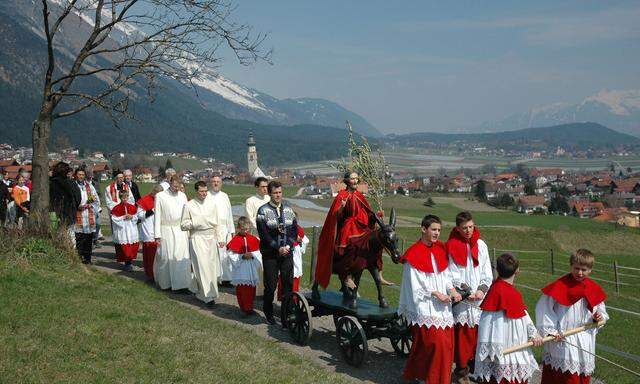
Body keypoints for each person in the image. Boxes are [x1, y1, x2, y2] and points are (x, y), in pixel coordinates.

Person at [398, 214, 462, 384]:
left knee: (447, 345)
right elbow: (415, 286)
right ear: (423, 229)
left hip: (443, 308)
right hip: (425, 307)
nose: (437, 233)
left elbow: (446, 276)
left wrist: (452, 290)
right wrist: (435, 293)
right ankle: (429, 378)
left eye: (439, 230)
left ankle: (439, 379)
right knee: (435, 344)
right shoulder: (413, 254)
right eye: (433, 229)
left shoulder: (440, 249)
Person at [535, 249, 608, 384]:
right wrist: (551, 331)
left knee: (581, 377)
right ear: (571, 266)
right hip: (563, 339)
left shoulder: (593, 288)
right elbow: (543, 309)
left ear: (590, 270)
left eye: (584, 269)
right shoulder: (560, 285)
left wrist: (598, 318)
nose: (579, 272)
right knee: (565, 378)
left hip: (584, 338)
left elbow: (602, 313)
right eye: (576, 268)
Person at [474, 253, 542, 384]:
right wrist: (534, 333)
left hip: (499, 352)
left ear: (497, 270)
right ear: (517, 270)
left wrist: (534, 333)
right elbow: (524, 316)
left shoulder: (493, 290)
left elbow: (487, 324)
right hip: (509, 349)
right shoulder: (512, 293)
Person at [316, 171, 389, 291]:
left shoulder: (360, 195)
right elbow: (336, 216)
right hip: (348, 227)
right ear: (347, 181)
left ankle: (378, 272)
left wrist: (377, 215)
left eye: (356, 178)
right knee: (350, 246)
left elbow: (367, 213)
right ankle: (347, 275)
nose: (355, 181)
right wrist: (342, 208)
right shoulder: (342, 196)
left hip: (361, 226)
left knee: (377, 241)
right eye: (352, 179)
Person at [446, 211, 493, 383]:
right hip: (463, 300)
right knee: (463, 337)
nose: (468, 231)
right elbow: (452, 273)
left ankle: (478, 370)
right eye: (464, 228)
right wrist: (467, 291)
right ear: (458, 228)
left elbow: (487, 272)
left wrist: (481, 290)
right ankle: (461, 371)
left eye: (471, 227)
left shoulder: (481, 245)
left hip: (480, 299)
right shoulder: (451, 245)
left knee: (479, 336)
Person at [256, 181, 298, 325]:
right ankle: (268, 312)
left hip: (287, 252)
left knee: (287, 284)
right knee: (271, 285)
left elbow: (294, 229)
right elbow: (264, 233)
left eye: (279, 192)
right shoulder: (262, 211)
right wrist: (276, 247)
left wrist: (289, 245)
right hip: (270, 254)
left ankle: (286, 314)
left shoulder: (288, 209)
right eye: (275, 193)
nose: (278, 195)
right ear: (269, 193)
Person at [180, 181, 225, 304]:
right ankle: (207, 296)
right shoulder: (189, 205)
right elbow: (183, 225)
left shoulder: (212, 204)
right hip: (197, 238)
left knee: (211, 267)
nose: (204, 194)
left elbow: (218, 223)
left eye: (205, 191)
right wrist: (195, 223)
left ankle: (200, 290)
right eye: (201, 191)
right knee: (201, 266)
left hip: (211, 238)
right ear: (196, 191)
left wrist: (220, 239)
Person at [154, 175, 190, 290]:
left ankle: (182, 285)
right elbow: (157, 216)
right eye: (174, 186)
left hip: (181, 230)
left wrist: (188, 231)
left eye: (178, 186)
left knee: (181, 257)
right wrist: (157, 235)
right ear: (170, 182)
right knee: (166, 257)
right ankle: (166, 284)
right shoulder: (160, 196)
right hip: (166, 230)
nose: (176, 189)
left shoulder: (183, 196)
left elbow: (186, 214)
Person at [227, 216, 262, 316]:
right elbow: (230, 254)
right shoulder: (235, 239)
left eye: (247, 229)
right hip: (241, 268)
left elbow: (259, 252)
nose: (245, 231)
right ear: (238, 228)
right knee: (242, 288)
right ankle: (244, 307)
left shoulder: (253, 239)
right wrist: (242, 256)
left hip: (251, 266)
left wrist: (253, 255)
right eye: (243, 229)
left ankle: (249, 307)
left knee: (251, 288)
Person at [209, 175, 235, 284]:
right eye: (214, 181)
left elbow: (229, 213)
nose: (216, 183)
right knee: (214, 254)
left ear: (221, 183)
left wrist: (232, 230)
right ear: (211, 183)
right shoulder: (207, 196)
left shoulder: (225, 196)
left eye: (218, 182)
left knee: (225, 254)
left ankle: (226, 278)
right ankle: (214, 278)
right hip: (213, 229)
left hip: (225, 228)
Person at [277, 221, 309, 301]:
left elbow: (305, 241)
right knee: (284, 279)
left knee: (294, 281)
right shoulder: (282, 227)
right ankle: (284, 303)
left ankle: (293, 302)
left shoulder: (299, 229)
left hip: (295, 258)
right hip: (285, 254)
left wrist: (300, 241)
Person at [137, 185, 163, 281]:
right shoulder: (145, 200)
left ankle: (159, 274)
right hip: (148, 229)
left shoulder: (162, 200)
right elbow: (139, 215)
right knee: (150, 255)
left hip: (160, 229)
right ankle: (150, 274)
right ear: (154, 192)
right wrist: (151, 210)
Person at [73, 168, 99, 264]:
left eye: (82, 175)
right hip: (77, 214)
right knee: (79, 237)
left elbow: (96, 200)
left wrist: (90, 205)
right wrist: (77, 207)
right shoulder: (73, 186)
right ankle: (79, 258)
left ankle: (87, 258)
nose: (81, 176)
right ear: (76, 175)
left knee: (88, 238)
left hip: (88, 214)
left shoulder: (89, 186)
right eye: (79, 174)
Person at [50, 162, 81, 241]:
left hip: (56, 214)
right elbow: (78, 198)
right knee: (71, 235)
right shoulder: (71, 183)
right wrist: (74, 207)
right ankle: (71, 252)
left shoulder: (51, 183)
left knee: (58, 236)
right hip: (70, 213)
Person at [111, 189, 140, 271]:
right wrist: (123, 217)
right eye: (123, 197)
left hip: (131, 229)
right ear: (120, 197)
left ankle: (129, 262)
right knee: (124, 247)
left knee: (131, 246)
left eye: (126, 197)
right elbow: (114, 218)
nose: (124, 199)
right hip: (122, 230)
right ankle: (127, 263)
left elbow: (136, 217)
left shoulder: (132, 207)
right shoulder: (116, 208)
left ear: (127, 197)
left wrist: (132, 216)